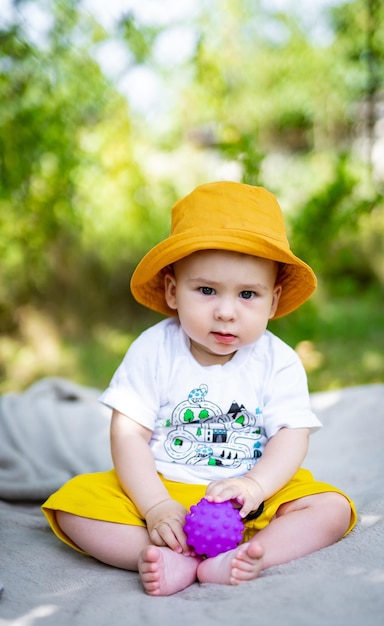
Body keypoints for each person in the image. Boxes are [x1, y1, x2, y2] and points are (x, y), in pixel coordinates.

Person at [42, 181, 357, 596]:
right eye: (206, 290)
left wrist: (256, 486)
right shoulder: (154, 349)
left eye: (248, 294)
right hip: (161, 486)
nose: (226, 312)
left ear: (274, 301)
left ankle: (246, 554)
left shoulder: (278, 361)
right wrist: (154, 506)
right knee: (72, 504)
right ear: (173, 291)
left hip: (247, 497)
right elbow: (128, 433)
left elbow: (290, 435)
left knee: (331, 508)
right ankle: (161, 552)